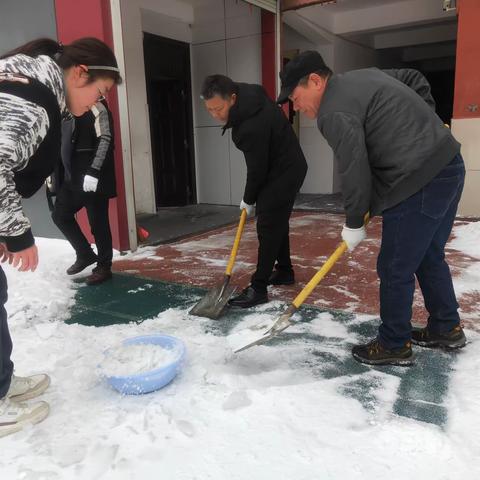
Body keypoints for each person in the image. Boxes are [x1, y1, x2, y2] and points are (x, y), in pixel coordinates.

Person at [277, 50, 466, 366]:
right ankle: (446, 328)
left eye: (295, 98)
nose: (295, 107)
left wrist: (353, 221)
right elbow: (412, 78)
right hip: (448, 165)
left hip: (416, 181)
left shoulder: (331, 112)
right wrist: (427, 125)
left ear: (314, 80)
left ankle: (394, 344)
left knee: (394, 267)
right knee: (427, 255)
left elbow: (354, 167)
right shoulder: (364, 76)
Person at [0, 37, 121, 437]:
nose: (95, 103)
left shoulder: (32, 79)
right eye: (98, 92)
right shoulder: (32, 98)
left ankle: (2, 383)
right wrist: (17, 235)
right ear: (79, 72)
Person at [201, 75, 307, 308]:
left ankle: (258, 288)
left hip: (283, 171)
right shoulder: (249, 95)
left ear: (233, 98)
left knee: (268, 225)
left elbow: (256, 170)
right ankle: (285, 271)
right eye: (209, 110)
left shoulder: (250, 126)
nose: (215, 115)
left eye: (218, 108)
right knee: (277, 220)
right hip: (284, 164)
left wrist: (248, 199)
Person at [52, 98, 116, 285]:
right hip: (72, 177)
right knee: (60, 215)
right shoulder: (65, 106)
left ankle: (104, 266)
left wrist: (94, 171)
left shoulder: (96, 105)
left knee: (98, 224)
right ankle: (85, 254)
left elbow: (105, 138)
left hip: (93, 175)